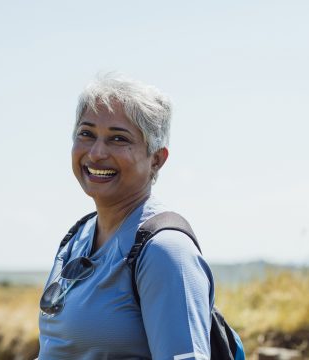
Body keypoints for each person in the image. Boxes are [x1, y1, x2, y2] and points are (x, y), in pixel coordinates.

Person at [38, 73, 214, 359]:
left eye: (118, 139)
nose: (96, 153)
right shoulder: (77, 237)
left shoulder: (165, 252)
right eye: (86, 134)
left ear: (156, 158)